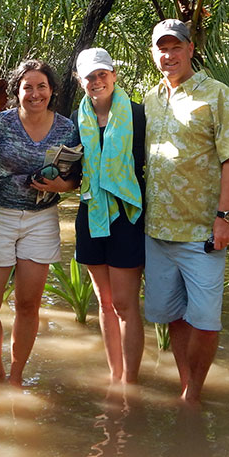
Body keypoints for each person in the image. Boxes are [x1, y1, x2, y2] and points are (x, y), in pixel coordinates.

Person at [143, 19, 229, 405]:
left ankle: (194, 391)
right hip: (155, 230)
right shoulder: (150, 99)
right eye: (161, 48)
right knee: (173, 316)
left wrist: (225, 216)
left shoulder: (217, 95)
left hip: (203, 232)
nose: (168, 55)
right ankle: (187, 388)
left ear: (189, 49)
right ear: (154, 53)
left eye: (175, 47)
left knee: (205, 319)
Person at [0, 59, 78, 386]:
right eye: (28, 87)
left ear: (52, 90)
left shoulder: (66, 128)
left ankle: (17, 376)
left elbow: (76, 176)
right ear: (17, 91)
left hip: (41, 220)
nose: (35, 93)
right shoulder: (0, 123)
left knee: (28, 304)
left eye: (41, 86)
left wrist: (64, 186)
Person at [72, 47, 146, 384]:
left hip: (127, 216)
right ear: (80, 81)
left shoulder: (139, 115)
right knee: (104, 301)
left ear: (114, 75)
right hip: (91, 214)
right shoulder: (77, 120)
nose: (97, 81)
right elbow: (74, 173)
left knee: (125, 303)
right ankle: (115, 377)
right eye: (90, 76)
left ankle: (130, 381)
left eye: (102, 74)